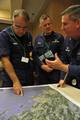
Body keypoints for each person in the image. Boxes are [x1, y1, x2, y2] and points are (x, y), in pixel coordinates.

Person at [0, 9, 34, 95]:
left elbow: (29, 54)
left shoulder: (28, 35)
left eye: (24, 27)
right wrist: (15, 81)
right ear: (12, 22)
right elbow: (5, 60)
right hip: (11, 78)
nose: (21, 31)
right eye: (17, 26)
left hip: (27, 75)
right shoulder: (4, 35)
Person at [46, 5, 80, 89]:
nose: (62, 28)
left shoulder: (59, 37)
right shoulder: (67, 38)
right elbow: (64, 60)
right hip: (70, 85)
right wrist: (62, 78)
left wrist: (62, 67)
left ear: (78, 23)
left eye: (65, 24)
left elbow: (63, 65)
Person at [33, 14, 64, 85]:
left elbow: (63, 56)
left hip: (55, 72)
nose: (48, 26)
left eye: (49, 24)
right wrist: (42, 65)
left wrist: (62, 76)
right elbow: (35, 55)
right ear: (40, 26)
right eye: (45, 25)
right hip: (42, 73)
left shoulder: (59, 37)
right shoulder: (37, 38)